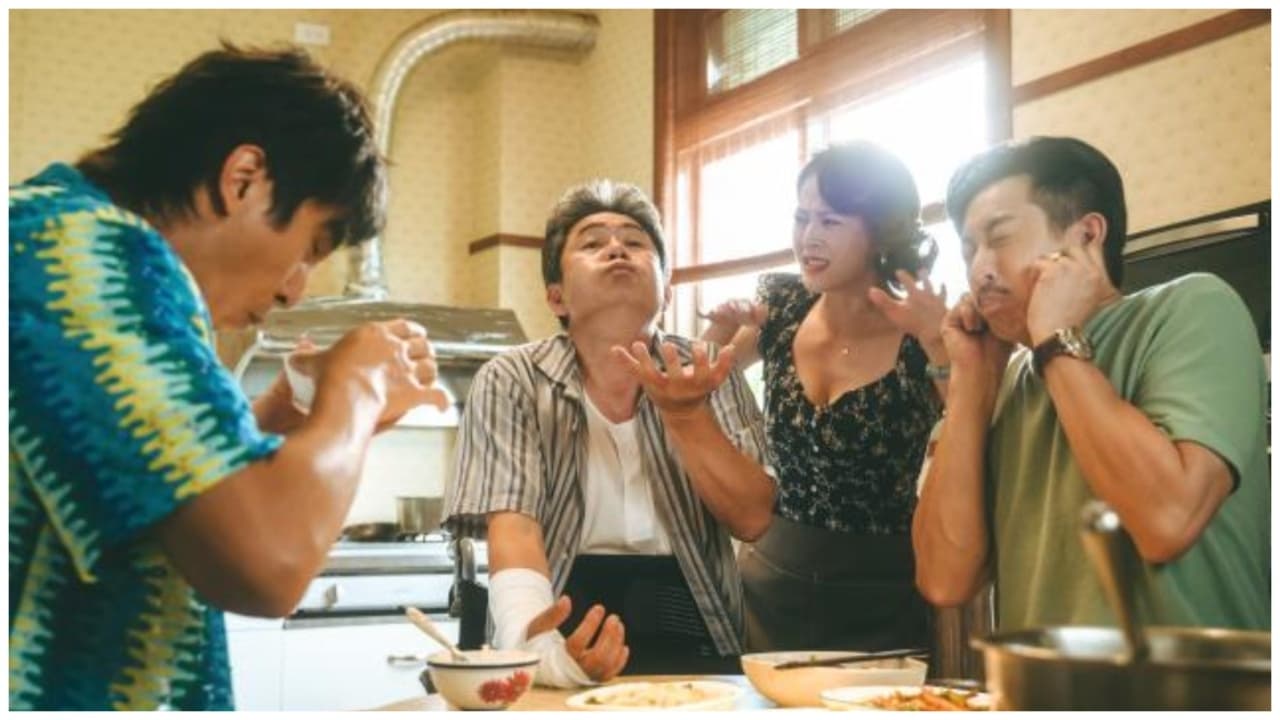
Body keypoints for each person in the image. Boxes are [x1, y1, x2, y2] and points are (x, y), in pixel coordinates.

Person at [9, 44, 449, 710]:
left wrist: (280, 418)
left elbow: (157, 483)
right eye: (311, 248)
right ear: (243, 179)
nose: (295, 290)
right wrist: (356, 389)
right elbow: (267, 564)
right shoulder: (85, 255)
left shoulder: (56, 238)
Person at [913, 136, 1269, 631]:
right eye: (969, 249)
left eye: (1000, 238)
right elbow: (945, 580)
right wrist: (971, 381)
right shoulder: (1005, 376)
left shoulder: (1193, 308)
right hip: (1037, 680)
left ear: (1086, 236)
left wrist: (1055, 338)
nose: (979, 270)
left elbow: (1167, 520)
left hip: (1190, 679)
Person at [443, 179, 776, 687]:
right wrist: (541, 654)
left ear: (666, 293)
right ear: (556, 297)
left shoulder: (708, 370)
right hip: (557, 614)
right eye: (593, 243)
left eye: (636, 242)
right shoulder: (512, 378)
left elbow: (752, 519)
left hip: (699, 626)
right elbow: (515, 530)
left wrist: (688, 416)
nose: (618, 249)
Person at [700, 142, 949, 653]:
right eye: (801, 217)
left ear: (882, 230)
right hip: (769, 579)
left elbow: (978, 429)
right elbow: (693, 384)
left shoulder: (920, 330)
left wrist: (941, 345)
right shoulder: (783, 306)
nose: (808, 237)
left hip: (885, 591)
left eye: (831, 221)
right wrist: (718, 331)